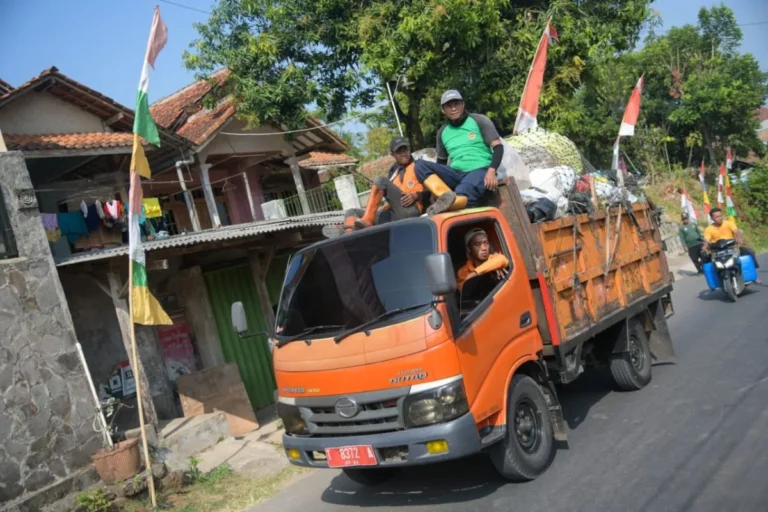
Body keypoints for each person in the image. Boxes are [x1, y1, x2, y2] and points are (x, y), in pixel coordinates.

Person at [414, 90, 504, 215]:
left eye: (456, 103)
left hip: (480, 170)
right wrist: (433, 192)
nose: (453, 108)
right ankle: (444, 197)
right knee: (419, 165)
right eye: (449, 106)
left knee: (463, 190)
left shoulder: (479, 120)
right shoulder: (442, 132)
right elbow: (441, 163)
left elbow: (498, 147)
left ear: (463, 104)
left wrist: (492, 170)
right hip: (456, 174)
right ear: (443, 110)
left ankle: (451, 203)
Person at [323, 137, 428, 238]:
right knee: (351, 212)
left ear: (409, 149)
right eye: (399, 151)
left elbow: (433, 191)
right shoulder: (393, 173)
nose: (403, 153)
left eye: (405, 149)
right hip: (394, 214)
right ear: (393, 155)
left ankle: (366, 220)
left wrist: (417, 195)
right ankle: (348, 234)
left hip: (412, 210)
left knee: (380, 180)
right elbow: (391, 196)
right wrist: (383, 208)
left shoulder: (419, 166)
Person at [703, 207, 761, 278]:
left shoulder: (729, 223)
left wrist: (739, 240)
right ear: (712, 218)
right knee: (705, 259)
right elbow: (706, 240)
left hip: (731, 247)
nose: (720, 218)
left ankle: (754, 274)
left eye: (720, 215)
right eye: (717, 217)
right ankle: (714, 280)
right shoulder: (709, 229)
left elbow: (736, 231)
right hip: (717, 250)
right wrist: (705, 247)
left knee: (750, 251)